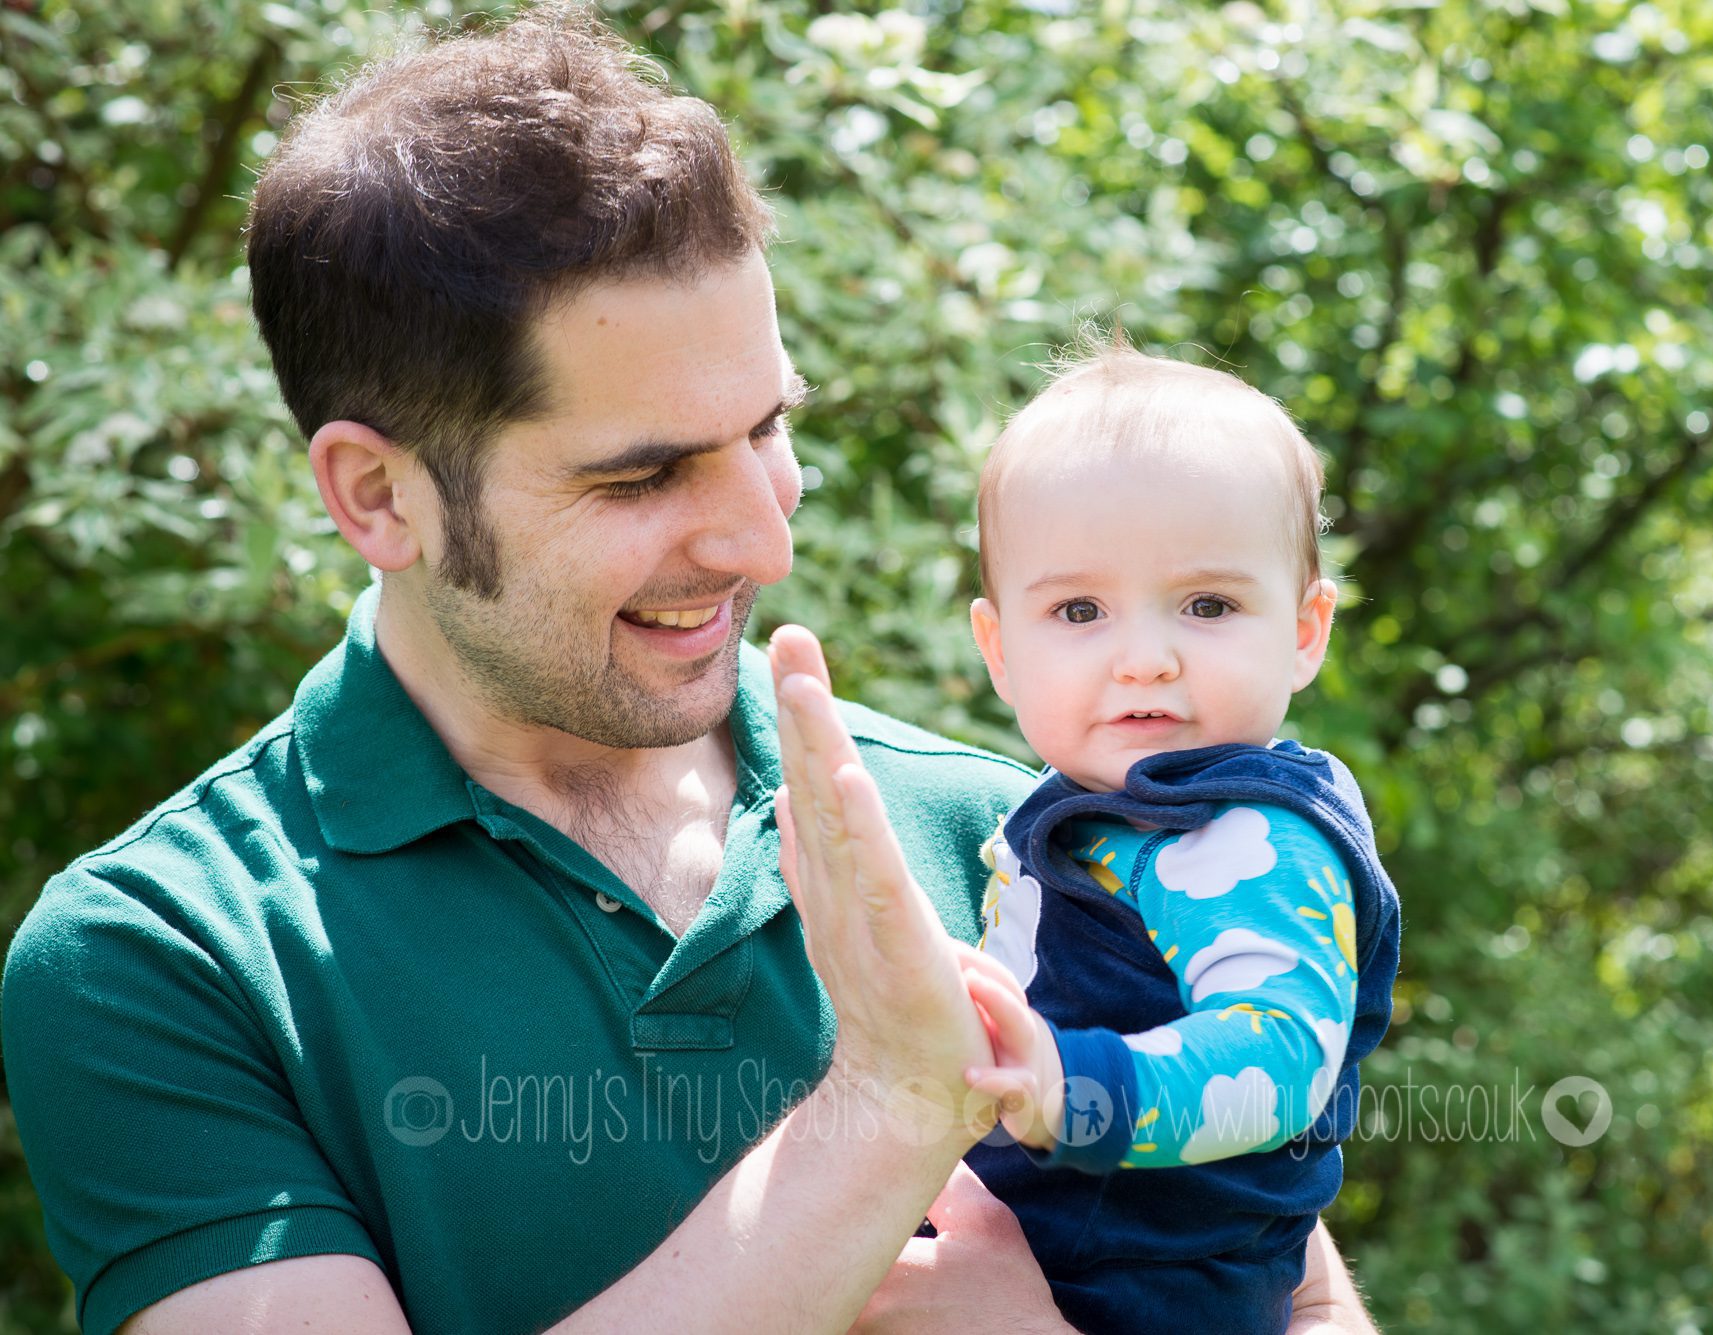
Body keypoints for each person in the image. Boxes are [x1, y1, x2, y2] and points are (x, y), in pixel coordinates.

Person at [0, 6, 1379, 1334]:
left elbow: (1298, 1295)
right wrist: (889, 1107)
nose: (764, 536)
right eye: (646, 472)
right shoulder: (159, 957)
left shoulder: (1019, 824)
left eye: (767, 428)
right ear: (377, 496)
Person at [939, 347, 1403, 1333]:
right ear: (998, 652)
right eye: (1078, 610)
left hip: (1156, 1297)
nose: (1143, 660)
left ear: (1304, 630)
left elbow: (1278, 1055)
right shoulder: (1091, 817)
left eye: (1207, 605)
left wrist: (1074, 1089)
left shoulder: (1249, 838)